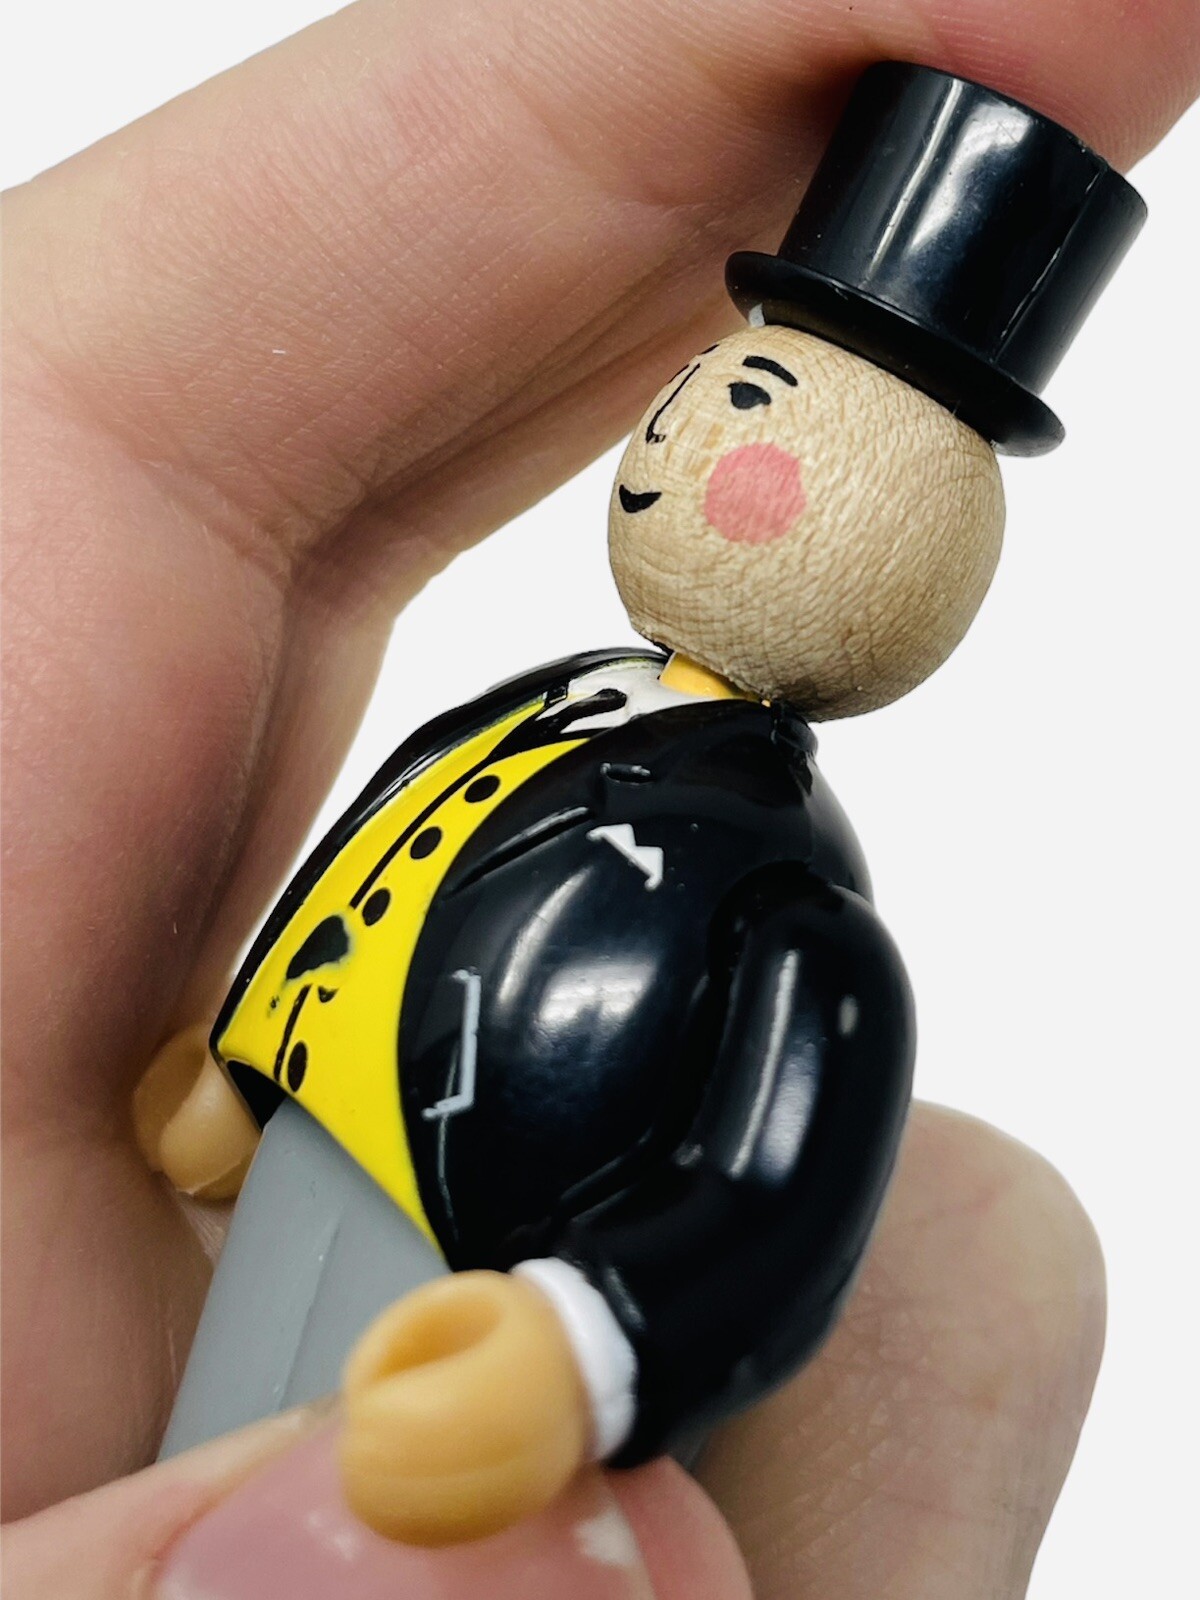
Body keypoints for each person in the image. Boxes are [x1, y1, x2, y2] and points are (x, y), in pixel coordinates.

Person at [2, 2, 1198, 1596]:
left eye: (751, 419)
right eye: (702, 391)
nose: (681, 442)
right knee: (211, 1423)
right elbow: (392, 846)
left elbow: (769, 1195)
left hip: (490, 1252)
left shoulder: (786, 898)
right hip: (320, 1148)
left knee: (369, 1484)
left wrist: (589, 1345)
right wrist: (249, 1065)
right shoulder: (543, 708)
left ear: (916, 539)